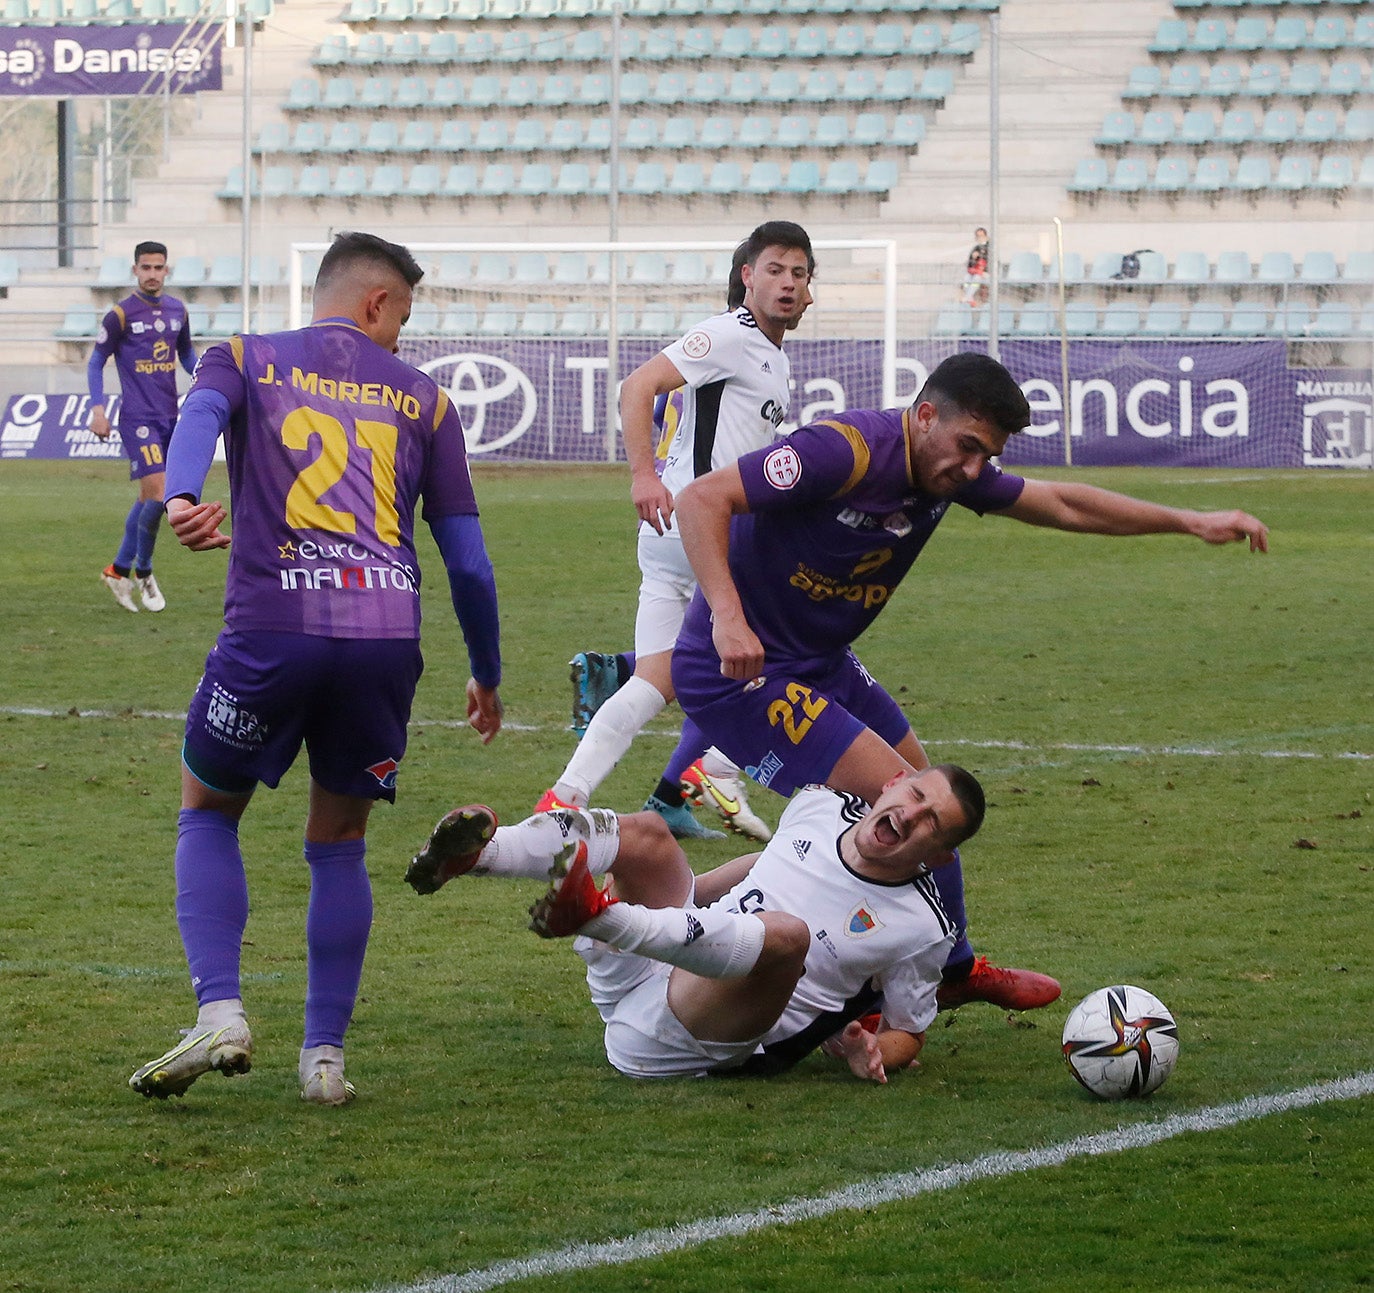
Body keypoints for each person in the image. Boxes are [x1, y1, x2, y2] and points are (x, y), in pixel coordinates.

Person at [669, 350, 1268, 1007]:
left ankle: (949, 969)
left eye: (988, 453)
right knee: (912, 809)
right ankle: (835, 979)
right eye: (969, 446)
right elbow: (703, 497)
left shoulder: (947, 471)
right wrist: (727, 616)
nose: (976, 467)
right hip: (738, 670)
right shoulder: (846, 451)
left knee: (934, 809)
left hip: (818, 662)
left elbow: (1061, 502)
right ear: (924, 416)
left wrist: (1190, 521)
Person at [128, 231, 504, 1106]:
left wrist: (181, 497)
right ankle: (323, 1060)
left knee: (207, 811)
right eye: (403, 317)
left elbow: (198, 419)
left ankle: (220, 1009)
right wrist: (485, 670)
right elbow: (472, 565)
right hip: (383, 642)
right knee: (339, 844)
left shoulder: (245, 355)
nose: (402, 338)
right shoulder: (425, 399)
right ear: (377, 303)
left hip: (272, 629)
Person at [407, 765, 988, 1081]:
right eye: (913, 794)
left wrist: (875, 1051)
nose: (910, 815)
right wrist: (678, 887)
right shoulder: (819, 805)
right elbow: (770, 862)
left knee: (787, 936)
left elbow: (910, 1029)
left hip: (685, 1036)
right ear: (891, 784)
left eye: (932, 823)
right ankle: (476, 855)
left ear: (938, 857)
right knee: (651, 835)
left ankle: (596, 916)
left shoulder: (925, 925)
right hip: (650, 962)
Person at [537, 222, 814, 843]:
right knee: (790, 660)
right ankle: (709, 770)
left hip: (676, 535)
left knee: (655, 680)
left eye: (799, 274)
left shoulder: (768, 353)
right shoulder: (731, 334)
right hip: (705, 533)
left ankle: (564, 798)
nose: (788, 284)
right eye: (775, 270)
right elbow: (638, 386)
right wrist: (642, 474)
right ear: (748, 275)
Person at [89, 240, 199, 613]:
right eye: (146, 267)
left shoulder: (177, 311)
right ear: (135, 270)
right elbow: (96, 361)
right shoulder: (121, 315)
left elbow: (185, 354)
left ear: (167, 270)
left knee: (146, 499)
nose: (152, 274)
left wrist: (204, 376)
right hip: (138, 419)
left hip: (170, 416)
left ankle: (117, 570)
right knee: (159, 495)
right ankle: (145, 572)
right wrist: (97, 409)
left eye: (159, 267)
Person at [960, 226, 989, 307]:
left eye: (982, 236)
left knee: (977, 278)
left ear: (986, 236)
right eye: (978, 236)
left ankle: (967, 297)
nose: (980, 238)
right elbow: (970, 263)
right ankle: (970, 298)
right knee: (966, 279)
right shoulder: (975, 248)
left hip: (987, 272)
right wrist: (973, 258)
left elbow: (991, 260)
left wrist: (979, 256)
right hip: (976, 271)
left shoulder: (990, 247)